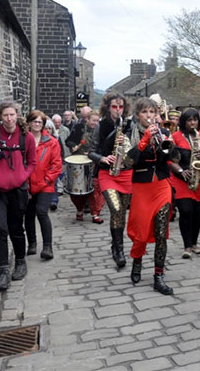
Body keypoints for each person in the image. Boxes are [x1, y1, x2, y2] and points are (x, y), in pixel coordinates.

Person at [0, 102, 36, 291]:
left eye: (12, 115)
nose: (9, 119)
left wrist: (22, 176)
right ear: (0, 117)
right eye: (5, 115)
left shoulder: (26, 137)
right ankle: (3, 270)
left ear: (17, 115)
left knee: (16, 228)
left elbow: (32, 162)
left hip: (17, 190)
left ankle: (20, 262)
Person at [126, 98, 180, 295]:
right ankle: (137, 261)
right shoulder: (129, 133)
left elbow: (174, 159)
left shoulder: (164, 132)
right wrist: (144, 141)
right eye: (144, 112)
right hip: (141, 187)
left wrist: (169, 144)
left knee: (161, 232)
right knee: (140, 232)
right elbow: (127, 162)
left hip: (161, 186)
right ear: (138, 115)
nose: (149, 116)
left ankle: (159, 275)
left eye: (151, 112)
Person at [89, 93, 132, 269]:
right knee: (116, 208)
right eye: (114, 107)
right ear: (108, 107)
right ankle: (120, 250)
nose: (118, 110)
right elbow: (91, 151)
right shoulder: (101, 126)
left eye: (120, 107)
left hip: (126, 173)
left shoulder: (130, 125)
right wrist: (102, 158)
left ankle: (116, 246)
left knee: (121, 213)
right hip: (108, 173)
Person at [169, 108, 200, 258]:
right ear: (184, 122)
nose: (192, 123)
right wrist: (180, 171)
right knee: (185, 211)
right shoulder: (176, 136)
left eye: (195, 120)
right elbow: (169, 159)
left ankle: (194, 243)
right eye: (189, 120)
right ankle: (187, 246)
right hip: (181, 179)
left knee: (197, 214)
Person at [25, 112, 62, 259]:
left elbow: (57, 164)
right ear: (29, 123)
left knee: (41, 212)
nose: (37, 124)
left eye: (40, 122)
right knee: (28, 215)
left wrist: (46, 180)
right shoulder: (23, 140)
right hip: (27, 184)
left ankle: (47, 247)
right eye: (34, 121)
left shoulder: (51, 142)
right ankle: (32, 243)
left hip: (45, 184)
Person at [66, 110, 106, 224]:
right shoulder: (78, 128)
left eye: (97, 121)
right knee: (77, 190)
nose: (95, 123)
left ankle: (95, 213)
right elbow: (68, 141)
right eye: (93, 120)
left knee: (96, 189)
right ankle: (79, 209)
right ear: (87, 120)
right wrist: (73, 145)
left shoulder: (102, 131)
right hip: (79, 163)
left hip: (95, 163)